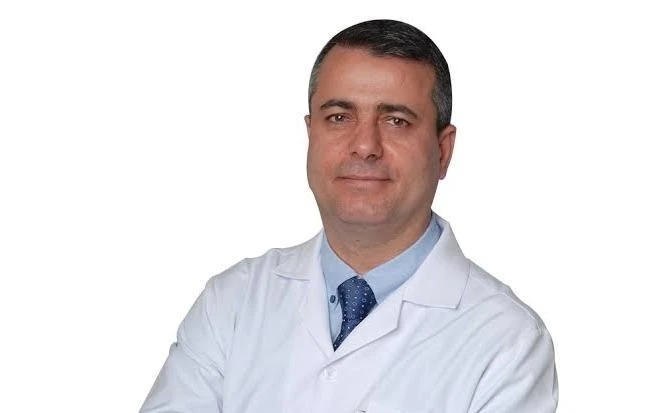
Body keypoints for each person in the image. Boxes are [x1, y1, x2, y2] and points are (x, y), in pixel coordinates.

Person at [140, 19, 558, 413]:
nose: (364, 146)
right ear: (311, 135)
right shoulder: (232, 301)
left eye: (396, 121)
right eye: (339, 118)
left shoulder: (507, 340)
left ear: (443, 151)